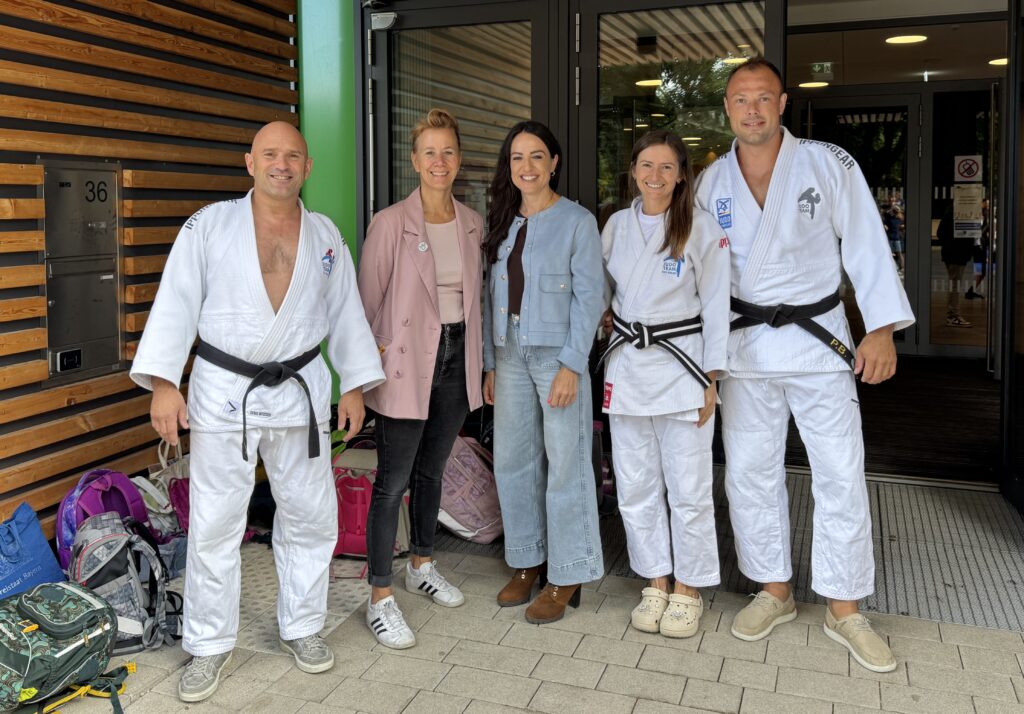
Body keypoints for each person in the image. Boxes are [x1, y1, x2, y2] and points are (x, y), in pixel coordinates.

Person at [130, 121, 385, 702]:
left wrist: (354, 386)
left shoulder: (325, 235)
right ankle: (208, 642)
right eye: (270, 154)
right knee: (217, 521)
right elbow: (176, 301)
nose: (282, 164)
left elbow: (345, 313)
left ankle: (303, 626)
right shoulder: (208, 226)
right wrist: (165, 383)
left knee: (310, 514)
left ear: (308, 166)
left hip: (299, 388)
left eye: (293, 155)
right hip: (224, 391)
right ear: (250, 162)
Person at [693, 58, 914, 673]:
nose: (753, 109)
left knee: (840, 471)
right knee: (749, 472)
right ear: (729, 109)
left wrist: (880, 329)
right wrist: (700, 355)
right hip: (745, 346)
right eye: (741, 99)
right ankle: (774, 590)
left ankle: (846, 609)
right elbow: (703, 274)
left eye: (764, 97)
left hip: (820, 341)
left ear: (784, 101)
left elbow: (867, 244)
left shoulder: (828, 163)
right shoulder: (711, 182)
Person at [357, 108, 483, 649]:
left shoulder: (472, 223)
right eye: (429, 152)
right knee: (393, 482)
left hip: (458, 357)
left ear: (459, 160)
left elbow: (481, 302)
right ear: (414, 160)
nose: (439, 161)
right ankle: (379, 595)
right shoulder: (390, 223)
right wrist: (361, 376)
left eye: (448, 152)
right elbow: (364, 305)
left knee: (433, 470)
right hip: (406, 362)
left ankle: (422, 563)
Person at [600, 130, 730, 638]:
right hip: (629, 367)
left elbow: (718, 304)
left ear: (681, 175)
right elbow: (602, 293)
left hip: (683, 368)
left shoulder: (698, 227)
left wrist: (711, 378)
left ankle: (690, 587)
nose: (655, 176)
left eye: (666, 168)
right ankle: (655, 579)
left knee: (690, 487)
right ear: (633, 170)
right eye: (646, 166)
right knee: (635, 486)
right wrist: (604, 323)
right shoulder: (614, 225)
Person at [482, 121, 604, 624]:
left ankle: (568, 572)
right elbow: (492, 296)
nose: (526, 167)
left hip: (557, 357)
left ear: (554, 162)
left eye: (536, 157)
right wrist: (491, 363)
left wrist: (573, 365)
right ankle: (527, 560)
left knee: (566, 464)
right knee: (512, 460)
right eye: (517, 158)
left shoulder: (577, 221)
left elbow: (591, 297)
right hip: (509, 353)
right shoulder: (504, 221)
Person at [937, 205, 974, 327]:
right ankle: (953, 316)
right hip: (956, 255)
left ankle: (953, 315)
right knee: (955, 285)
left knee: (954, 284)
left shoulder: (951, 213)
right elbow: (941, 233)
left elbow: (940, 233)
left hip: (954, 254)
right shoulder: (955, 214)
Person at [881, 196, 905, 276]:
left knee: (899, 253)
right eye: (891, 200)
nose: (892, 202)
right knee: (890, 253)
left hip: (896, 236)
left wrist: (902, 225)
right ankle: (893, 268)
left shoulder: (898, 212)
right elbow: (884, 221)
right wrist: (885, 225)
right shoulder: (887, 213)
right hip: (890, 236)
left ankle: (901, 268)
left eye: (893, 201)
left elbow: (902, 218)